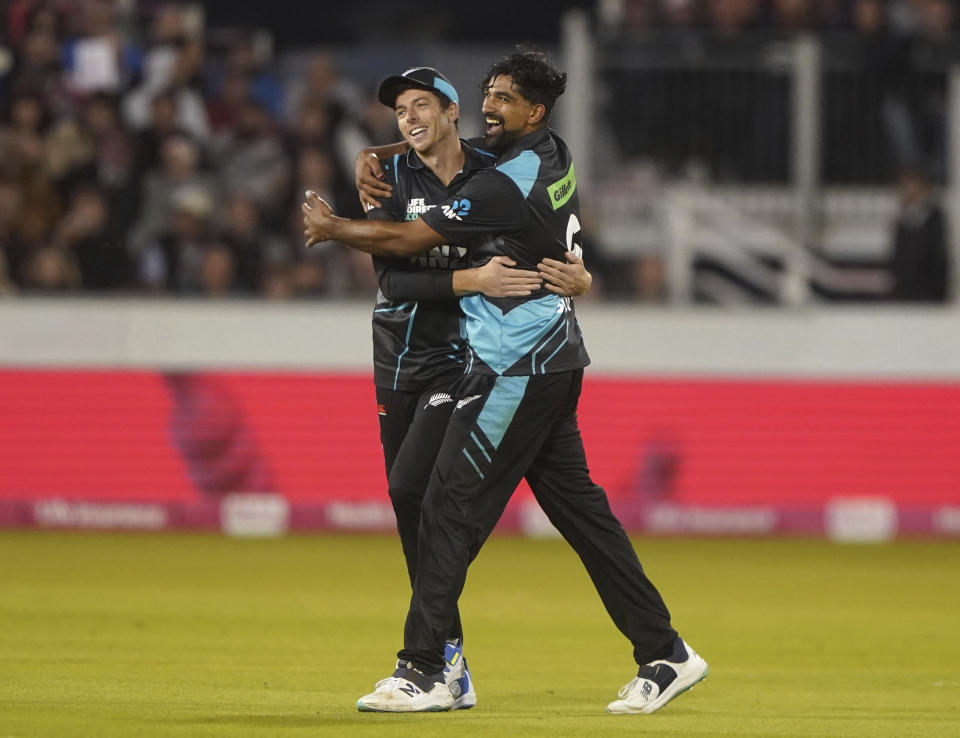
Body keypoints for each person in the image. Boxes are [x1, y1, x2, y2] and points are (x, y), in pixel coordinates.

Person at [303, 49, 707, 715]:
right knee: (575, 516)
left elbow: (408, 244)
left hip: (520, 364)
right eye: (487, 94)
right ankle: (666, 652)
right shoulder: (548, 151)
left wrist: (333, 227)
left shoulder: (501, 182)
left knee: (447, 505)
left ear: (535, 112)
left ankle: (428, 668)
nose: (490, 107)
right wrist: (378, 150)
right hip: (536, 359)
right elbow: (466, 160)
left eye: (504, 99)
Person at [349, 66, 592, 710]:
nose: (409, 118)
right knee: (410, 503)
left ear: (453, 112)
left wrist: (580, 277)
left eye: (422, 104)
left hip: (467, 360)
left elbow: (550, 222)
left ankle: (429, 662)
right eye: (400, 109)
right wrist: (471, 280)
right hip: (399, 360)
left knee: (424, 495)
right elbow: (392, 282)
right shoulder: (387, 176)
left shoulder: (493, 166)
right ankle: (445, 657)